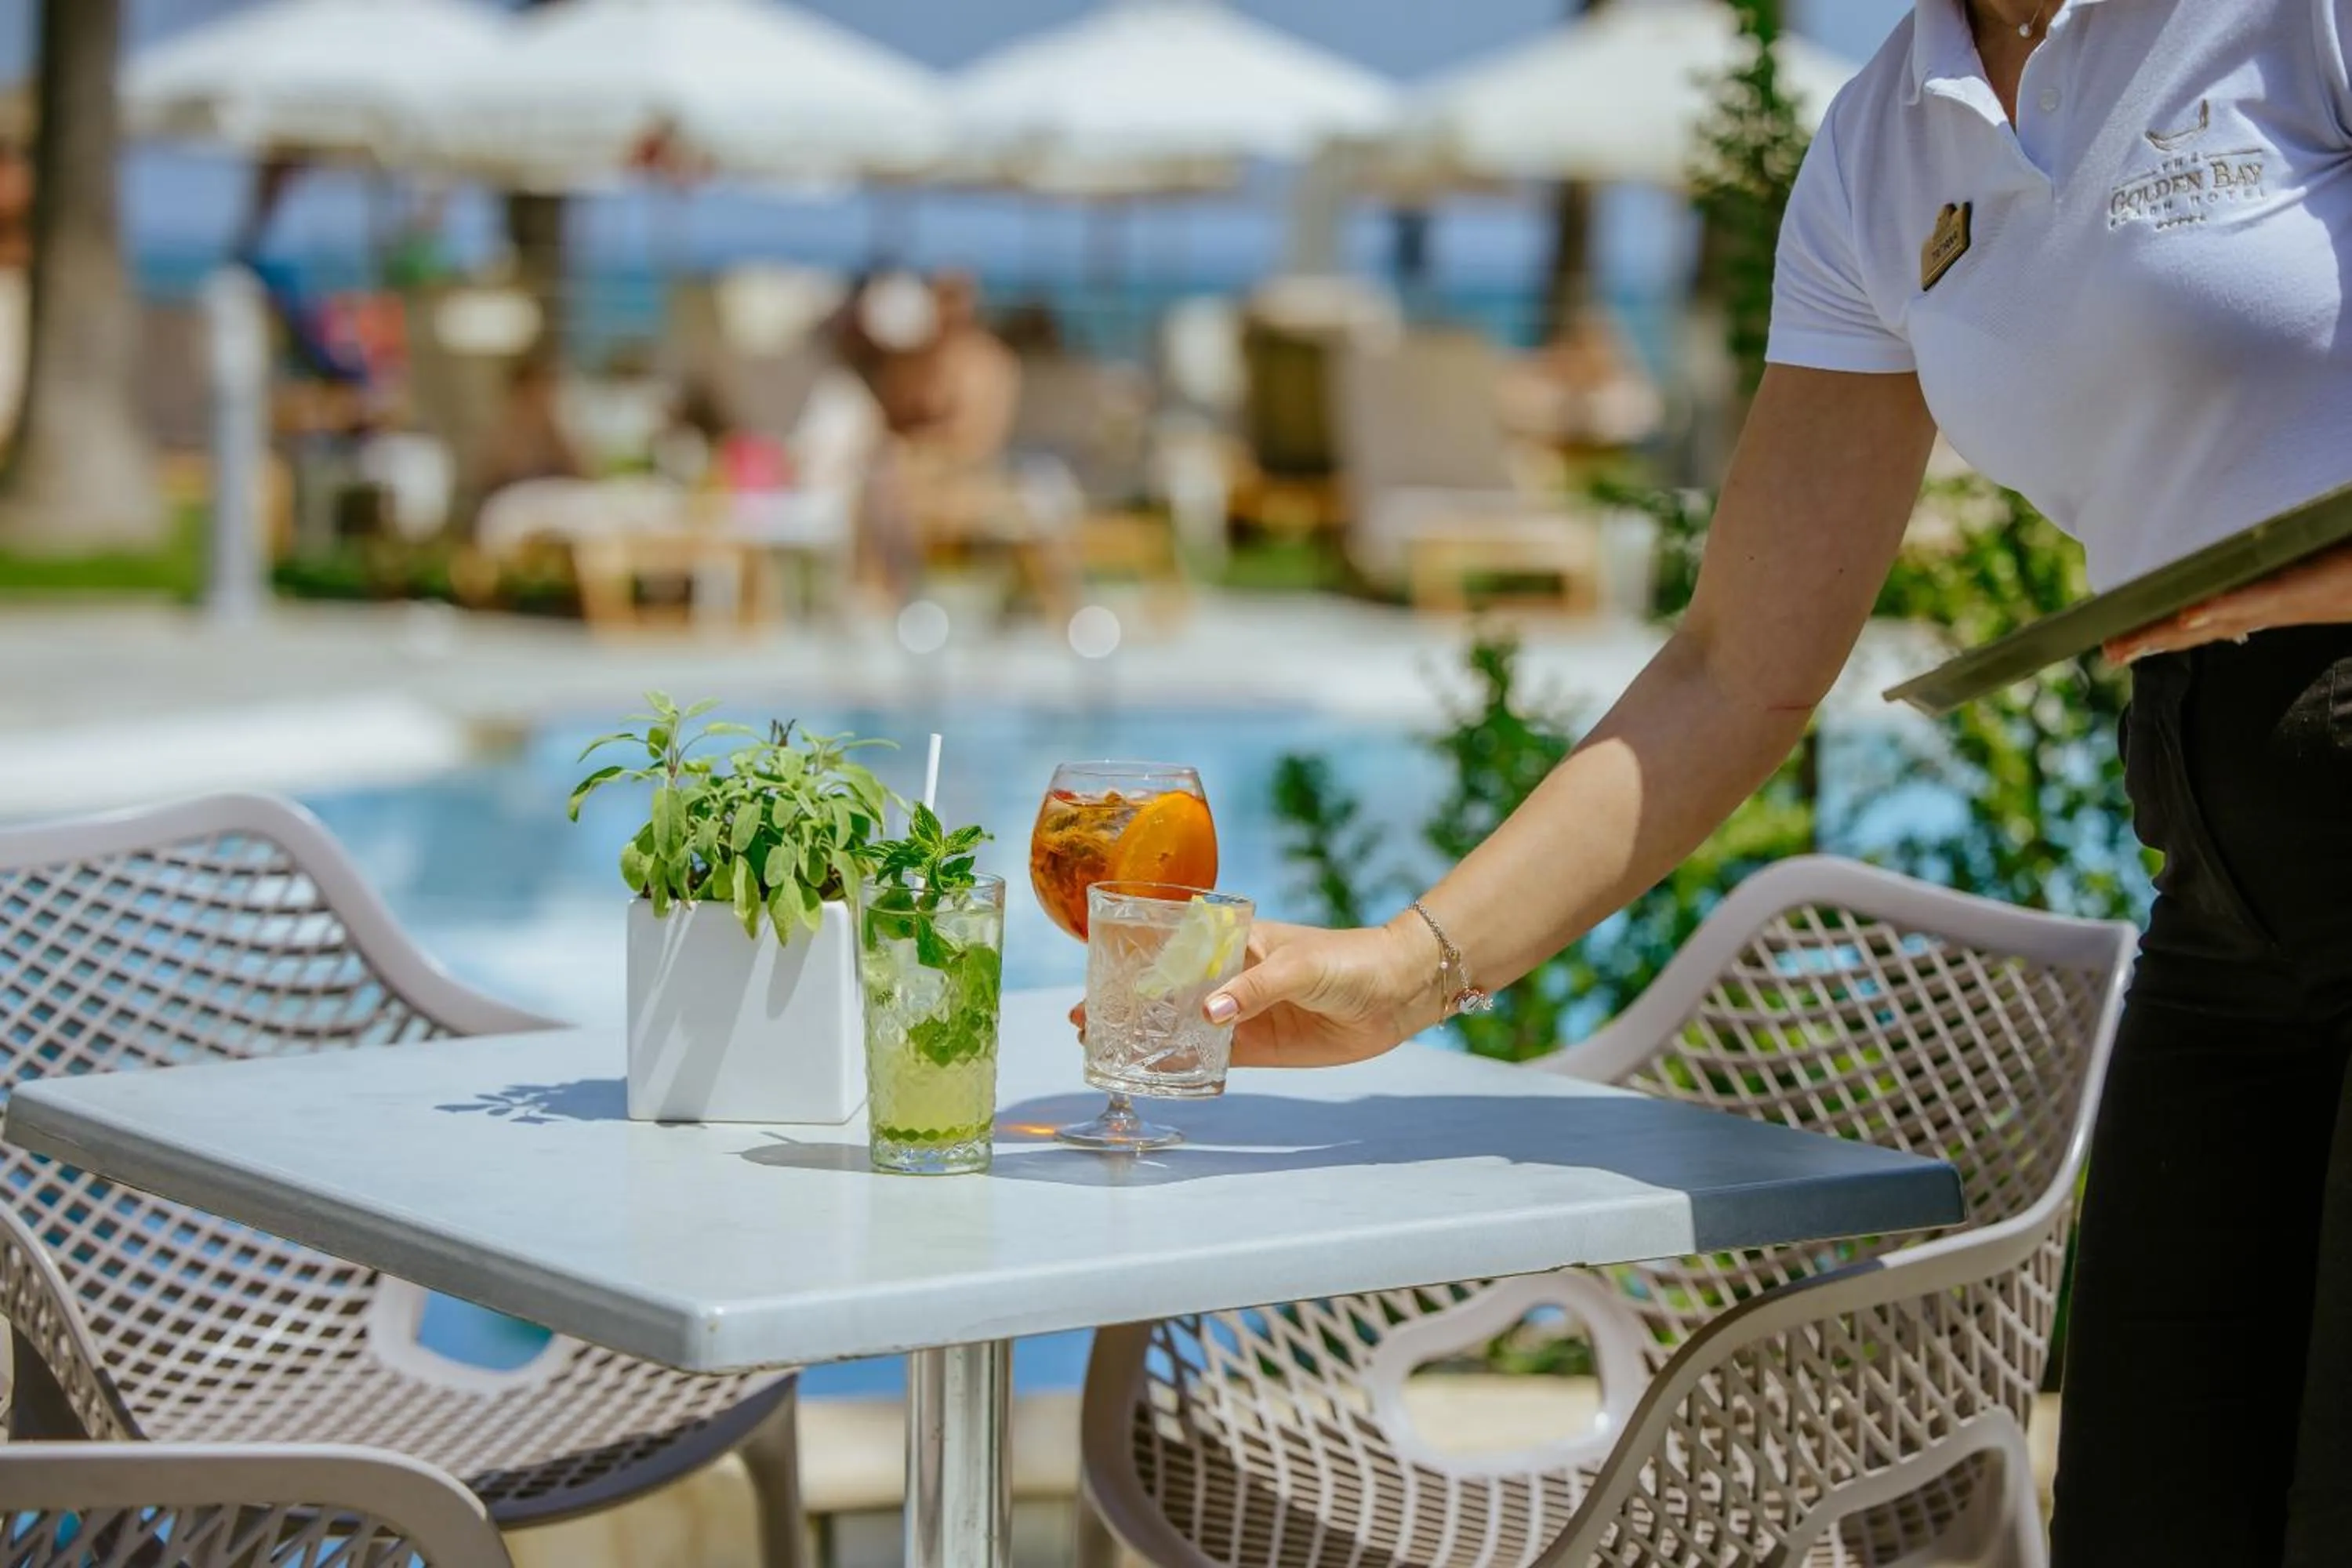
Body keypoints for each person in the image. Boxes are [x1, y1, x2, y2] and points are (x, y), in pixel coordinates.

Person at [1186, 4, 2352, 1564]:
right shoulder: (1888, 144)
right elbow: (1736, 664)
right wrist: (1402, 971)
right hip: (2228, 897)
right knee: (2147, 1519)